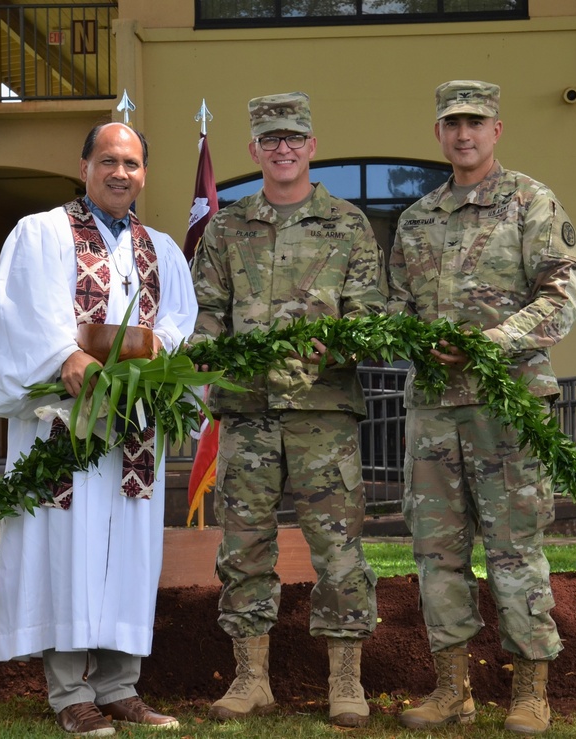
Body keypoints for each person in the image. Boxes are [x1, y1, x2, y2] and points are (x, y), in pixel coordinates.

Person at [0, 121, 197, 737]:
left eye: (130, 163)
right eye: (107, 161)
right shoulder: (42, 234)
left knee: (129, 548)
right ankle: (70, 692)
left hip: (133, 426)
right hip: (62, 425)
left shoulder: (162, 249)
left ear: (144, 173)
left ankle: (120, 687)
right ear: (84, 167)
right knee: (66, 546)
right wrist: (64, 356)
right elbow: (20, 311)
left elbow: (180, 319)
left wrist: (156, 353)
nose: (119, 172)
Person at [387, 80, 576, 735]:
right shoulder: (416, 219)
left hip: (508, 408)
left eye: (475, 121)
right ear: (438, 133)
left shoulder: (531, 202)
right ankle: (453, 692)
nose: (463, 133)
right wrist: (412, 336)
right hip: (433, 412)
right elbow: (394, 307)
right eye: (452, 123)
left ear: (496, 129)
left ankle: (530, 692)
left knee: (514, 550)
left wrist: (490, 341)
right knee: (436, 553)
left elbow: (562, 295)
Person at [190, 92, 386, 728]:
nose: (282, 149)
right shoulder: (226, 228)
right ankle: (251, 679)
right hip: (246, 412)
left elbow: (370, 316)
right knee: (243, 546)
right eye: (270, 139)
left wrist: (340, 339)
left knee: (339, 549)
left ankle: (345, 682)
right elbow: (206, 313)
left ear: (311, 146)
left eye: (293, 138)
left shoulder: (348, 225)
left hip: (321, 412)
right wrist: (197, 353)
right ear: (254, 150)